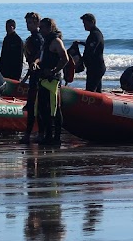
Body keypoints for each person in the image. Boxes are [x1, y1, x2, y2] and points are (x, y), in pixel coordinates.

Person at [35, 17, 69, 145]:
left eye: (42, 27)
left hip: (52, 81)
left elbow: (65, 59)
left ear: (50, 27)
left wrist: (54, 71)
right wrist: (35, 63)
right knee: (43, 108)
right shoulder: (46, 41)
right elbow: (41, 57)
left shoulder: (56, 41)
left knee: (54, 108)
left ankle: (56, 137)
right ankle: (48, 135)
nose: (40, 30)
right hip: (43, 79)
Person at [19, 12, 44, 145]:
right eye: (27, 22)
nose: (28, 25)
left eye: (30, 23)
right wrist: (26, 77)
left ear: (37, 23)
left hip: (38, 76)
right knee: (32, 105)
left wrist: (33, 66)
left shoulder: (38, 39)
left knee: (34, 105)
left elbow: (38, 56)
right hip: (33, 74)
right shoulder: (32, 38)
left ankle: (33, 134)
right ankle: (31, 134)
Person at [73, 13, 105, 93]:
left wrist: (80, 60)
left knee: (90, 91)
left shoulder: (96, 34)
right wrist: (81, 43)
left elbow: (91, 50)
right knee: (97, 92)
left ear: (92, 22)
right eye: (83, 24)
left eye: (85, 23)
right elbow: (90, 45)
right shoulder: (93, 34)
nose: (84, 26)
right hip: (94, 68)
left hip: (96, 68)